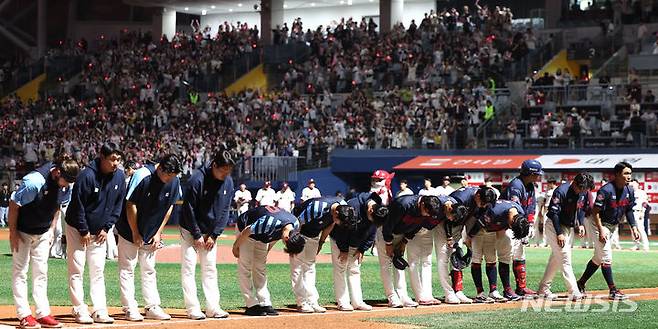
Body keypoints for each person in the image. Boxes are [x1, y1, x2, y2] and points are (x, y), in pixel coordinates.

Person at [10, 156, 79, 329]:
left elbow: (57, 206)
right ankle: (24, 314)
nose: (66, 186)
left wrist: (51, 229)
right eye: (65, 181)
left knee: (41, 272)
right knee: (21, 272)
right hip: (23, 231)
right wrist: (12, 233)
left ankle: (42, 313)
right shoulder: (34, 182)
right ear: (57, 172)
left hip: (42, 232)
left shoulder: (66, 185)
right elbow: (14, 204)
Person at [115, 154, 183, 321]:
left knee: (149, 269)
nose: (169, 180)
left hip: (151, 232)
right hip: (129, 229)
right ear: (160, 168)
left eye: (173, 176)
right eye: (167, 175)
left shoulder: (174, 180)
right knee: (127, 269)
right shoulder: (142, 175)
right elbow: (130, 203)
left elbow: (170, 207)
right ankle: (129, 307)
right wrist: (135, 232)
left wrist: (158, 232)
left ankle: (152, 306)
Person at [65, 143, 126, 324]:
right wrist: (83, 230)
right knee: (77, 269)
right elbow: (78, 205)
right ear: (102, 157)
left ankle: (99, 309)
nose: (116, 163)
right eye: (112, 159)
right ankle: (79, 309)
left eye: (118, 159)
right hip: (78, 229)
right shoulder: (87, 175)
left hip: (100, 232)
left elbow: (118, 204)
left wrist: (107, 228)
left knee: (98, 270)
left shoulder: (120, 177)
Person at [179, 150, 236, 320]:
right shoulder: (197, 179)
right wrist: (196, 235)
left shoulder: (228, 181)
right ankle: (193, 308)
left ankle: (213, 307)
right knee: (189, 267)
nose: (226, 174)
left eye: (229, 171)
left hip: (210, 232)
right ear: (214, 165)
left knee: (210, 268)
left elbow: (225, 210)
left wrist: (214, 234)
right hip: (190, 229)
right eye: (223, 170)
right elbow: (188, 209)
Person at [577, 162, 641, 300]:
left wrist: (634, 227)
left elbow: (629, 210)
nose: (629, 176)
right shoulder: (606, 190)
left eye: (630, 173)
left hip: (611, 225)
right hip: (597, 223)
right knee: (606, 257)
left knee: (598, 258)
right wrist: (601, 230)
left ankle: (580, 283)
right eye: (625, 173)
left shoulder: (629, 190)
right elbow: (595, 212)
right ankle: (613, 290)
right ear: (617, 174)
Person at [232, 206, 305, 316]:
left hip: (264, 234)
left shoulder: (295, 225)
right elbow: (247, 231)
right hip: (246, 228)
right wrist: (235, 247)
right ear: (286, 239)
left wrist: (267, 250)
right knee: (245, 266)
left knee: (260, 267)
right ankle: (251, 304)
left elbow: (276, 237)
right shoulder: (268, 222)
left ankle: (264, 302)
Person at [291, 196, 357, 313]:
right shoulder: (317, 208)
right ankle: (301, 302)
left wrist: (321, 242)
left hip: (314, 234)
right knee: (298, 267)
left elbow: (330, 224)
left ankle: (312, 301)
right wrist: (295, 242)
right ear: (335, 213)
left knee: (310, 267)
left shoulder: (342, 205)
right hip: (300, 231)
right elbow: (298, 223)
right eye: (340, 221)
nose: (340, 224)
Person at [537, 173, 594, 301]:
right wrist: (559, 233)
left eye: (585, 189)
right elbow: (554, 214)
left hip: (567, 227)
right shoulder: (561, 191)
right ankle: (574, 291)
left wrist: (580, 224)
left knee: (556, 260)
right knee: (565, 259)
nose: (583, 191)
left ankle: (543, 289)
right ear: (574, 183)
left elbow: (581, 209)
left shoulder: (583, 192)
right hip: (554, 226)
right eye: (581, 188)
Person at [379, 195, 442, 308]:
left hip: (401, 233)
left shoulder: (425, 210)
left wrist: (404, 242)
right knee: (386, 265)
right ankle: (392, 297)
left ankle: (403, 296)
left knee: (398, 263)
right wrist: (388, 243)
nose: (428, 215)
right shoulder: (403, 204)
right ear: (422, 204)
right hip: (385, 233)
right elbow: (387, 225)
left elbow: (417, 226)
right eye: (427, 212)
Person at [330, 192, 388, 311]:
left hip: (357, 242)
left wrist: (362, 248)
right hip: (339, 238)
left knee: (355, 269)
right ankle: (343, 302)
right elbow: (341, 230)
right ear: (370, 210)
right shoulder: (353, 206)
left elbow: (372, 230)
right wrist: (343, 249)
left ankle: (358, 302)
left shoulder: (378, 210)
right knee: (341, 268)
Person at [467, 200, 530, 303]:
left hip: (492, 228)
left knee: (491, 258)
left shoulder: (520, 213)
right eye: (511, 227)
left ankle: (493, 291)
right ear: (512, 220)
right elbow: (479, 223)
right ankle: (480, 293)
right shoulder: (496, 211)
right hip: (477, 225)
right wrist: (469, 236)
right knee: (477, 258)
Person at [448, 186, 498, 304]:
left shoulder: (482, 198)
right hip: (452, 221)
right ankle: (455, 291)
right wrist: (450, 237)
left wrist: (470, 236)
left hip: (469, 218)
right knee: (454, 255)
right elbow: (448, 218)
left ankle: (469, 291)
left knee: (472, 253)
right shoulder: (460, 198)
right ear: (478, 196)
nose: (485, 205)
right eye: (484, 202)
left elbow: (479, 218)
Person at [501, 159, 543, 299]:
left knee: (519, 255)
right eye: (537, 173)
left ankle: (521, 288)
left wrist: (529, 225)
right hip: (508, 225)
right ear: (530, 173)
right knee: (506, 257)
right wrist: (521, 229)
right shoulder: (516, 185)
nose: (539, 176)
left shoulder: (530, 186)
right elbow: (514, 210)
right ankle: (507, 290)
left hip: (520, 225)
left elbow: (531, 207)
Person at [536, 179, 558, 248]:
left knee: (554, 226)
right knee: (545, 226)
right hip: (547, 210)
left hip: (555, 211)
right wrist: (540, 211)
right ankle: (544, 242)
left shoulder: (557, 190)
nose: (548, 185)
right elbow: (544, 201)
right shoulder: (547, 191)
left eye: (549, 183)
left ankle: (552, 242)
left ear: (552, 183)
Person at [630, 180, 650, 251]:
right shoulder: (630, 192)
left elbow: (644, 204)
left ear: (638, 184)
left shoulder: (642, 192)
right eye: (632, 184)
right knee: (633, 230)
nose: (633, 185)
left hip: (639, 212)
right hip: (631, 212)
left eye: (634, 184)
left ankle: (646, 246)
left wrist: (642, 212)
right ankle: (636, 245)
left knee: (641, 229)